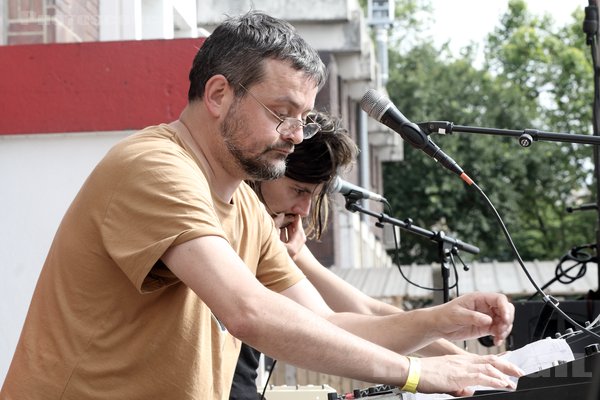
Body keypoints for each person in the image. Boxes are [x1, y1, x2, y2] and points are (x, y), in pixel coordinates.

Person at [1, 11, 522, 400]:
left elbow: (328, 326)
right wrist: (419, 374)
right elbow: (248, 313)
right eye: (282, 113)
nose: (296, 136)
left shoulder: (247, 211)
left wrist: (442, 321)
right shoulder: (155, 167)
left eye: (305, 118)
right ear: (219, 94)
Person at [230, 112, 473, 399]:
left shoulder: (281, 242)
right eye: (298, 190)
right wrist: (419, 368)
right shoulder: (227, 225)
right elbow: (329, 327)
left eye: (314, 195)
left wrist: (468, 363)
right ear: (264, 171)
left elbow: (363, 312)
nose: (305, 210)